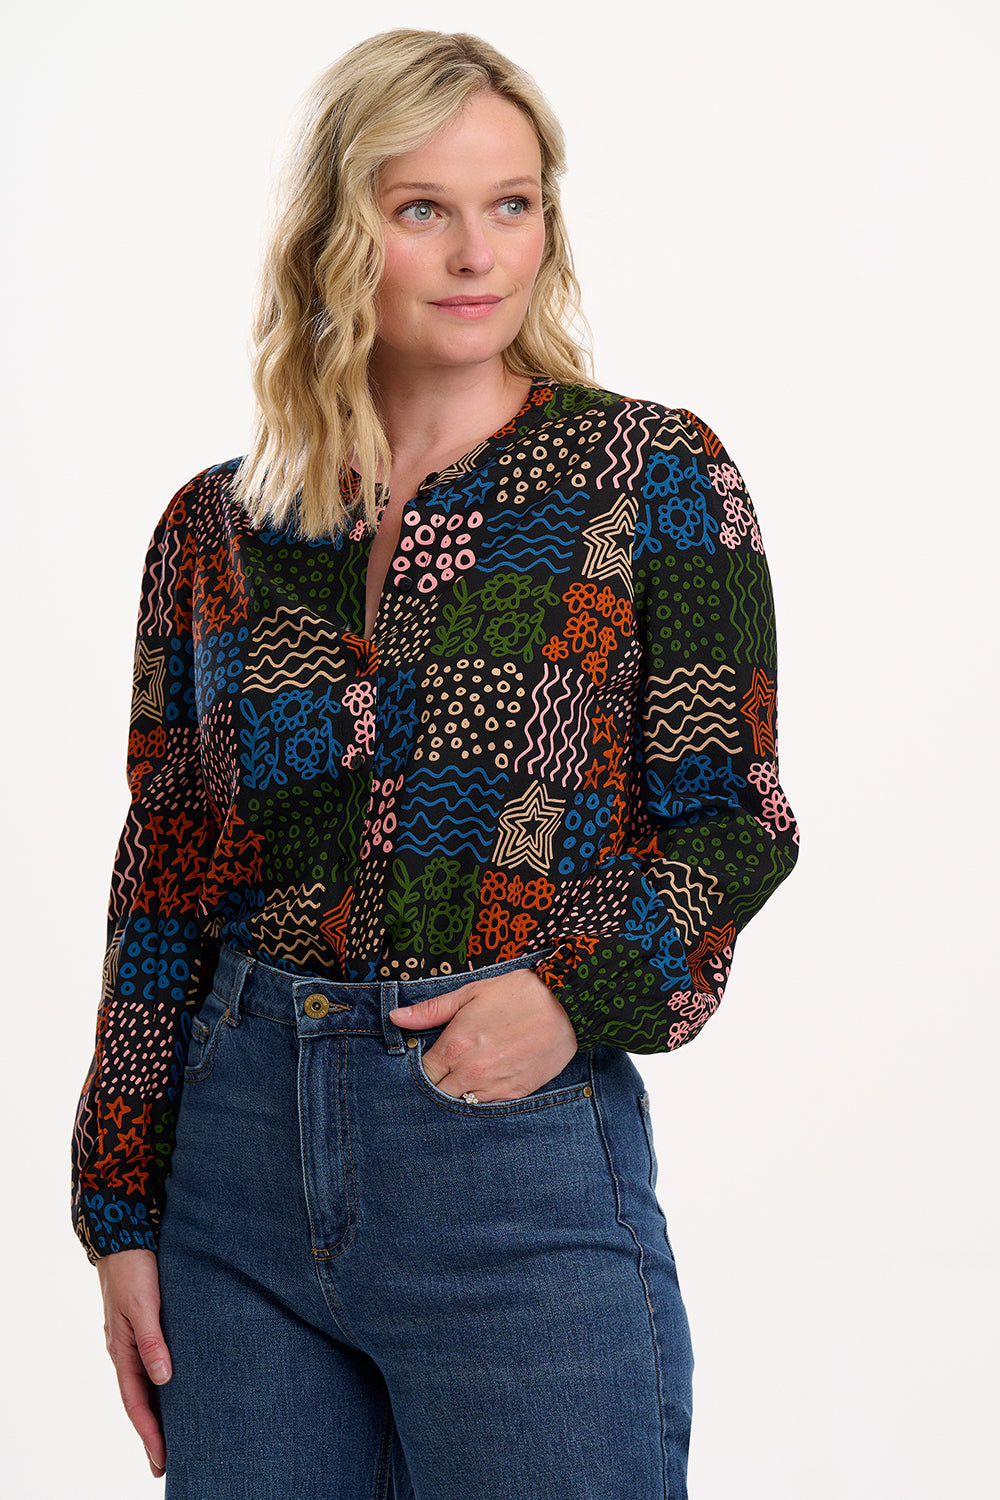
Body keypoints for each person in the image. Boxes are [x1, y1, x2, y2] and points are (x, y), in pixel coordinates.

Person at [72, 28, 798, 1500]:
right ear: (338, 236)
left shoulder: (649, 476)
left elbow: (737, 820)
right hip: (233, 1186)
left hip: (508, 1167)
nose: (478, 254)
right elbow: (163, 870)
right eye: (424, 210)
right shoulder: (218, 526)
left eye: (512, 205)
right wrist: (120, 1206)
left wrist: (570, 996)